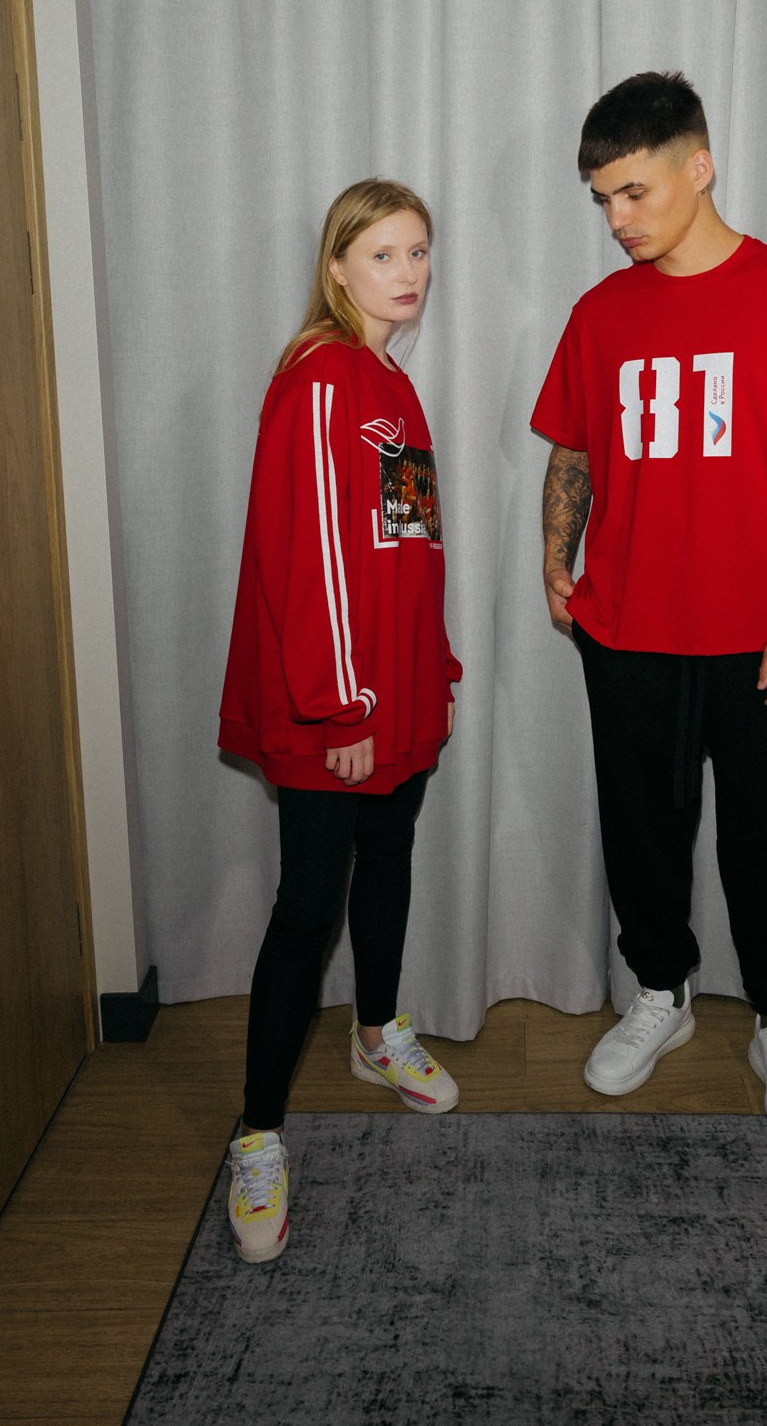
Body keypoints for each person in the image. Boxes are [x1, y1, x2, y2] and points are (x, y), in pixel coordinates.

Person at [531, 73, 767, 1138]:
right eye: (603, 200)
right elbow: (574, 449)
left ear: (700, 166)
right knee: (643, 834)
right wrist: (555, 560)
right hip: (629, 628)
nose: (617, 220)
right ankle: (660, 994)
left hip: (764, 635)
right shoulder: (601, 313)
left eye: (633, 192)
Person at [218, 178, 462, 1263]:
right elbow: (308, 556)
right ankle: (256, 1135)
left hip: (396, 694)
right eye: (383, 254)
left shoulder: (391, 383)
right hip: (340, 704)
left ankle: (377, 1034)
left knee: (390, 857)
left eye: (419, 251)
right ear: (336, 268)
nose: (408, 272)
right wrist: (342, 702)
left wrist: (434, 667)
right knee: (308, 904)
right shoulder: (322, 378)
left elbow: (409, 548)